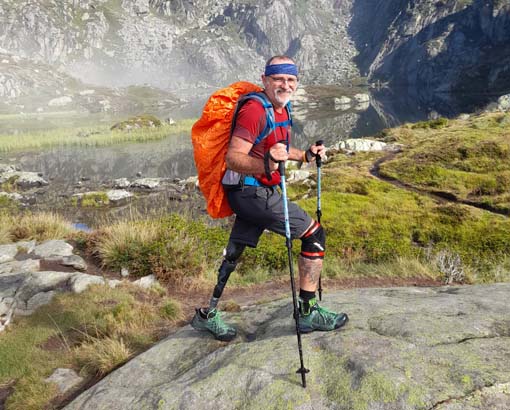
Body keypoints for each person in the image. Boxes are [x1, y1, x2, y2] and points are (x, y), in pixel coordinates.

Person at [191, 55, 348, 341]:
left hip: (250, 191)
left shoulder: (281, 109)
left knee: (235, 250)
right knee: (314, 234)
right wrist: (266, 166)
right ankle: (308, 312)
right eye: (278, 79)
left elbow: (277, 148)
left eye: (290, 80)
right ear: (265, 80)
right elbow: (234, 158)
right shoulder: (255, 110)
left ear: (296, 83)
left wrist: (305, 155)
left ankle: (207, 313)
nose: (284, 85)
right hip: (250, 191)